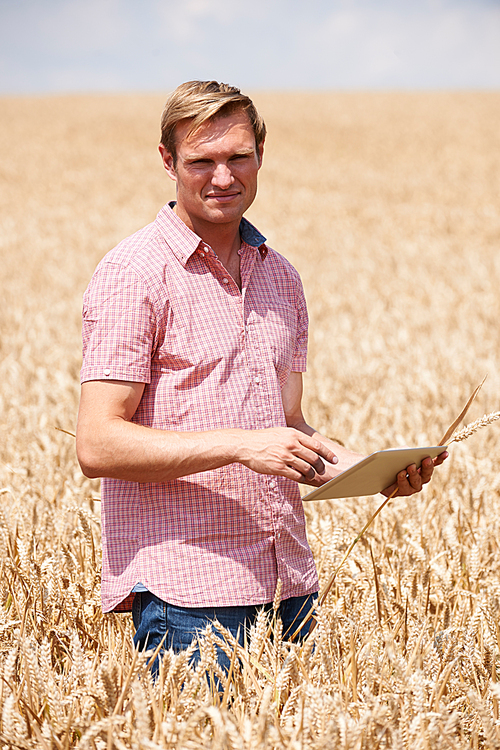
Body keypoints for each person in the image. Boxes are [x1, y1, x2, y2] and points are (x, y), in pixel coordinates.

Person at [76, 80, 447, 670]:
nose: (223, 177)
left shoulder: (282, 278)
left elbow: (288, 428)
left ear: (261, 155)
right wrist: (245, 447)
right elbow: (98, 443)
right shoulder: (134, 274)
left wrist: (373, 471)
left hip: (287, 586)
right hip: (189, 598)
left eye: (237, 157)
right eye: (201, 161)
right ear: (168, 162)